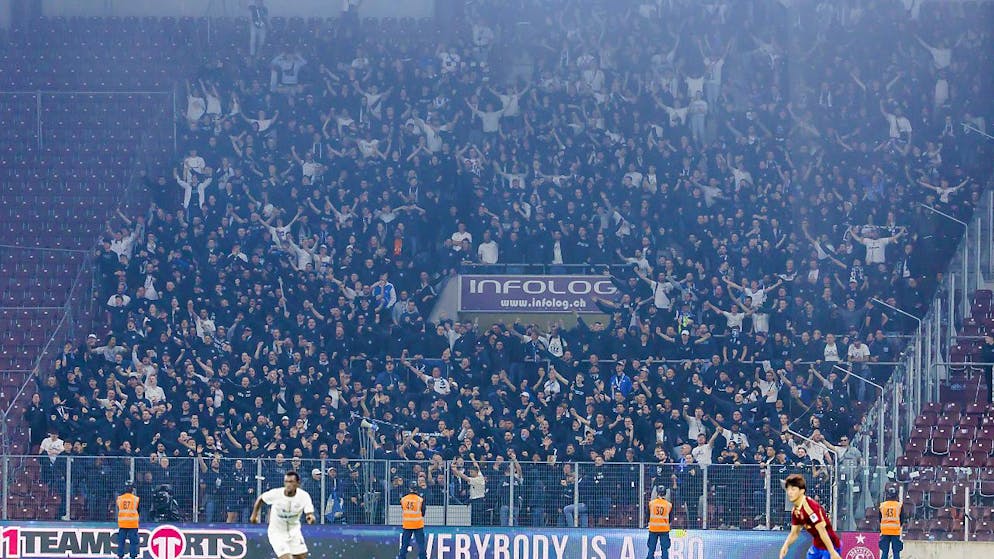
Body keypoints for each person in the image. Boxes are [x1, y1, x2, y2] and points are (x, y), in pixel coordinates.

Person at [250, 471, 317, 559]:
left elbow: (309, 513)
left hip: (294, 531)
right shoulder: (276, 494)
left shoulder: (304, 496)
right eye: (286, 482)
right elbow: (261, 499)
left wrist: (310, 518)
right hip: (277, 532)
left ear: (298, 483)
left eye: (291, 482)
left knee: (301, 557)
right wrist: (254, 515)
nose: (288, 484)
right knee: (287, 558)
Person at [779, 474, 842, 559]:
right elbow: (794, 533)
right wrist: (785, 546)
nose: (789, 492)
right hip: (817, 546)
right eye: (788, 489)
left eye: (793, 489)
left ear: (802, 491)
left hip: (831, 545)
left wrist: (832, 552)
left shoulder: (810, 507)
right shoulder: (795, 510)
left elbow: (822, 530)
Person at [397, 482, 427, 559]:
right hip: (418, 525)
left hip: (407, 525)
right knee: (421, 545)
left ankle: (401, 558)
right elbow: (423, 513)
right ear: (417, 489)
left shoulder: (403, 499)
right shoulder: (420, 500)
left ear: (409, 489)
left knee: (404, 545)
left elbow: (403, 509)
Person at [879, 486, 906, 559]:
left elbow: (880, 518)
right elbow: (902, 519)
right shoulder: (899, 505)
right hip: (895, 531)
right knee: (896, 552)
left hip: (885, 531)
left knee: (884, 552)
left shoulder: (882, 505)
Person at [645, 486, 672, 559]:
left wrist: (648, 523)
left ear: (657, 493)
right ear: (665, 494)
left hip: (653, 529)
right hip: (664, 529)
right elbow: (670, 518)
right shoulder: (669, 505)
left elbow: (647, 516)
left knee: (651, 550)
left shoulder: (651, 503)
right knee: (664, 550)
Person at [116, 482, 140, 559]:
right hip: (132, 524)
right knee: (133, 542)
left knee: (121, 541)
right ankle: (133, 556)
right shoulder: (135, 499)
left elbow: (118, 509)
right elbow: (138, 510)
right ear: (132, 490)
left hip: (122, 523)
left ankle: (120, 555)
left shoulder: (120, 498)